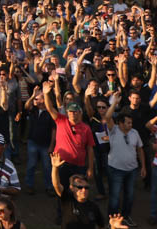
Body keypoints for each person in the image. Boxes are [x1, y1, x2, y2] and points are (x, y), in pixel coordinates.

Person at [43, 82, 95, 223]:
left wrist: (90, 167)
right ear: (67, 112)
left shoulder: (86, 128)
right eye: (70, 111)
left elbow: (90, 148)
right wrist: (47, 94)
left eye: (75, 111)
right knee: (62, 191)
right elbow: (49, 108)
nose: (72, 113)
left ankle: (79, 214)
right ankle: (61, 215)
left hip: (79, 166)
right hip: (62, 164)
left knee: (79, 191)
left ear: (80, 113)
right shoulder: (61, 120)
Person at [102, 93, 146, 226]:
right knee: (114, 197)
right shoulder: (114, 130)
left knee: (130, 196)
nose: (130, 124)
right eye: (128, 122)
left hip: (132, 170)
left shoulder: (135, 133)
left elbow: (140, 149)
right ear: (120, 123)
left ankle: (126, 217)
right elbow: (107, 117)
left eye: (131, 122)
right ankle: (112, 221)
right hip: (115, 169)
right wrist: (114, 103)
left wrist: (143, 166)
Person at [50, 152, 105, 229]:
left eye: (86, 187)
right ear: (71, 187)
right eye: (79, 187)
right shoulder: (67, 200)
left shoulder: (94, 207)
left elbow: (101, 226)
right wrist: (55, 168)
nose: (83, 190)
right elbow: (56, 185)